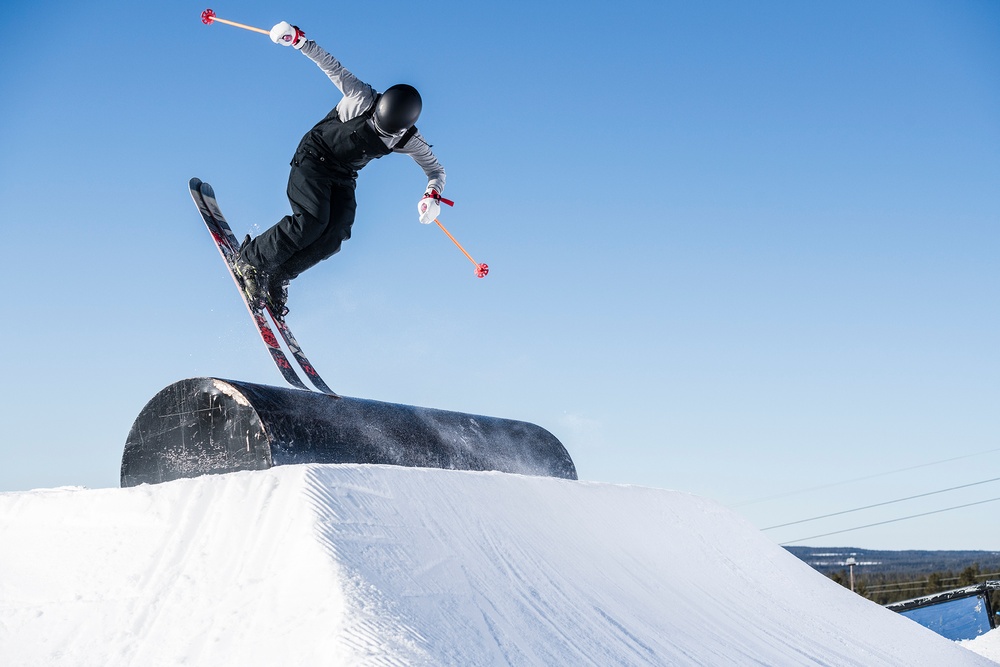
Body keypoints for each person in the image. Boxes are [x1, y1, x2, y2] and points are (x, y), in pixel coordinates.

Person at [235, 21, 448, 317]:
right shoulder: (361, 97)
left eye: (386, 132)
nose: (379, 130)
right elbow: (330, 64)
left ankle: (278, 274)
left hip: (343, 175)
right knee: (311, 220)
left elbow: (435, 170)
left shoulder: (409, 139)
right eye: (377, 122)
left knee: (335, 235)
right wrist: (296, 39)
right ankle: (251, 260)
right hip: (313, 158)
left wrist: (431, 195)